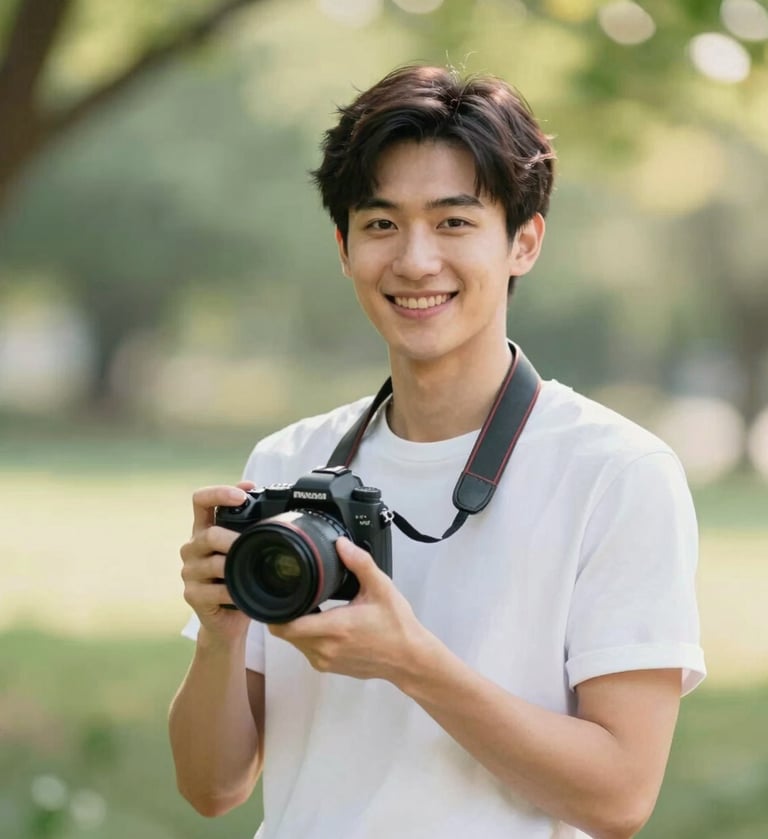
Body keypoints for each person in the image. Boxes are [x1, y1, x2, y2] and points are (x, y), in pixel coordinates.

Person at [169, 64, 705, 839]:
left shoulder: (616, 473)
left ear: (524, 240)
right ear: (344, 247)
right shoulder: (290, 460)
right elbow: (210, 786)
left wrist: (411, 660)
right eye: (381, 223)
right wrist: (220, 631)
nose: (415, 260)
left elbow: (619, 797)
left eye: (454, 222)